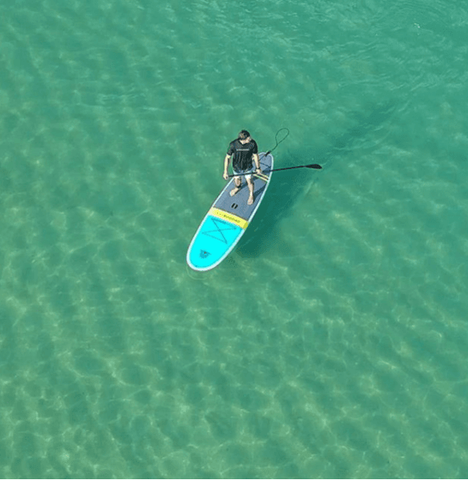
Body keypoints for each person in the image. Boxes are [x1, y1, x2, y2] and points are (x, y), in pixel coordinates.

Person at [223, 130, 262, 205]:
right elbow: (227, 158)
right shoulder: (233, 145)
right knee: (237, 179)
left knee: (249, 181)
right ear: (243, 140)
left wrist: (258, 168)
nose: (250, 139)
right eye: (248, 138)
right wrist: (225, 172)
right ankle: (237, 188)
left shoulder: (252, 144)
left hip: (248, 167)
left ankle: (251, 194)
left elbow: (255, 156)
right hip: (237, 167)